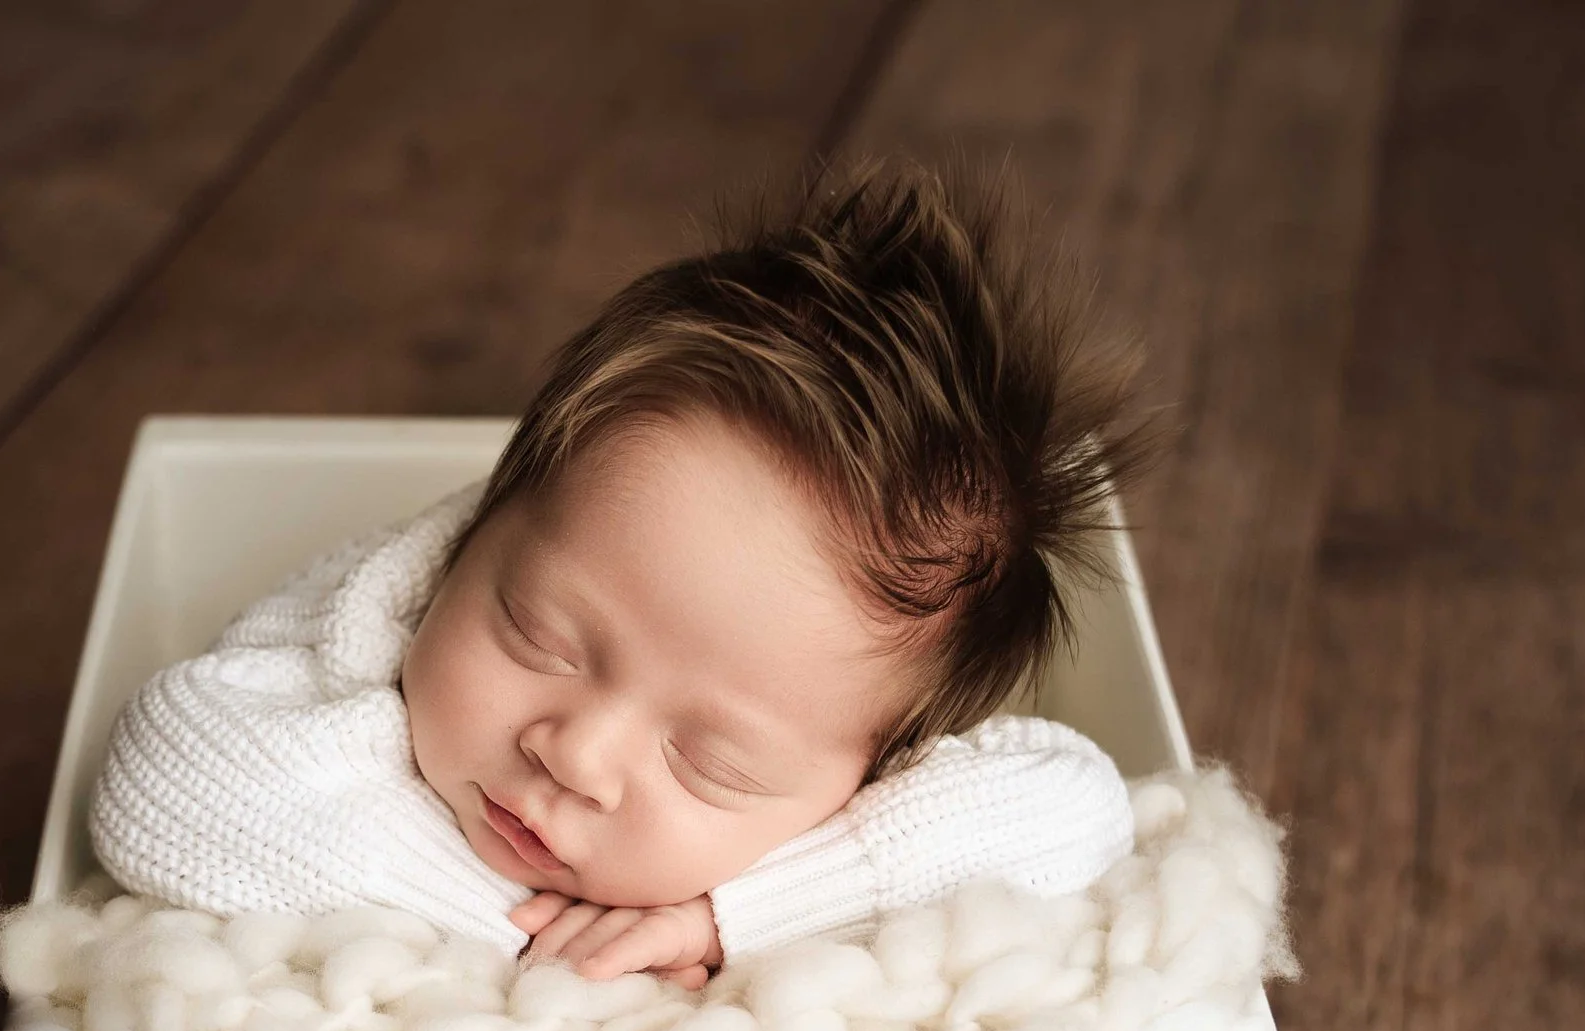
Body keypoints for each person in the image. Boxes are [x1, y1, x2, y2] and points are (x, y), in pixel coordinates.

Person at [90, 159, 1151, 989]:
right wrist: (492, 927)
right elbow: (165, 780)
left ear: (870, 776)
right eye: (539, 638)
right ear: (491, 522)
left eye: (711, 762)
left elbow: (1076, 814)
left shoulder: (888, 778)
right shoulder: (352, 650)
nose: (576, 755)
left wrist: (733, 916)